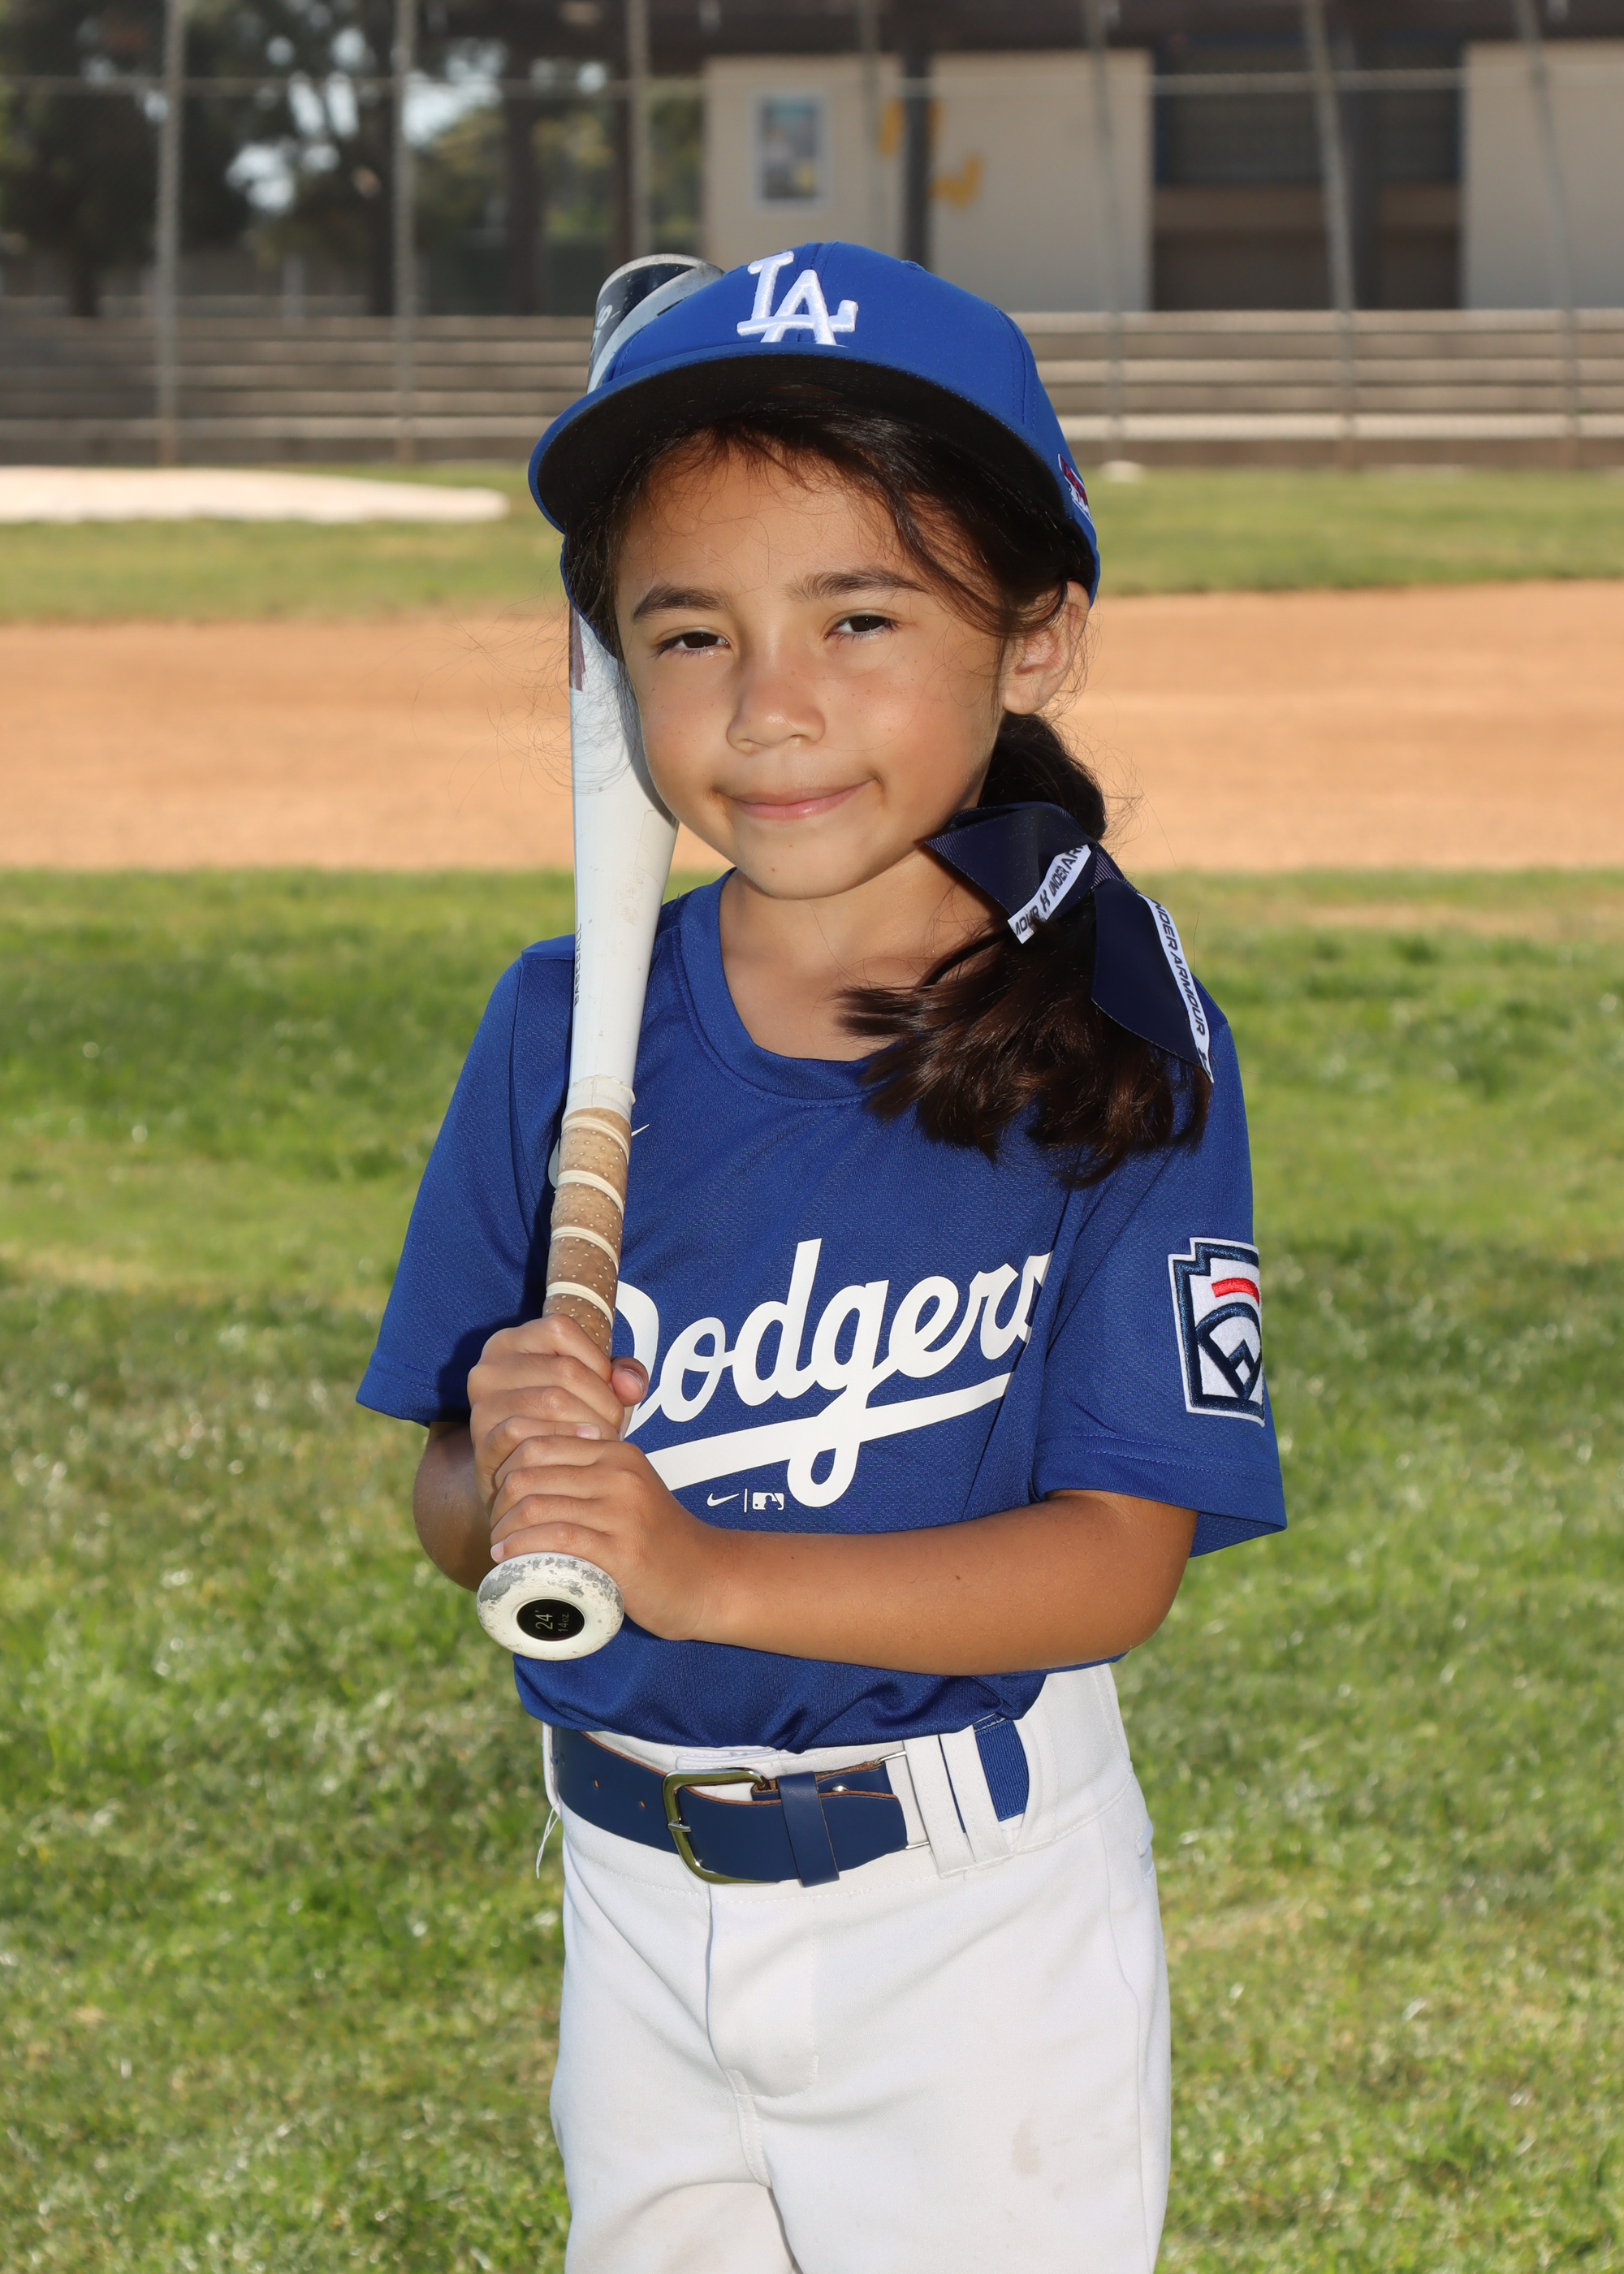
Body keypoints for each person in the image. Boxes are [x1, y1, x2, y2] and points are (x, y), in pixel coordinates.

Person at [358, 243, 1285, 2274]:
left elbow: (1116, 1561)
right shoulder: (562, 1023)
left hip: (972, 1934)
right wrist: (503, 1465)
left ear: (1033, 630)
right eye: (689, 631)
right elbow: (457, 1503)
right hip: (632, 1892)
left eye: (859, 617)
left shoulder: (1112, 1035)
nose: (769, 704)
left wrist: (696, 1565)